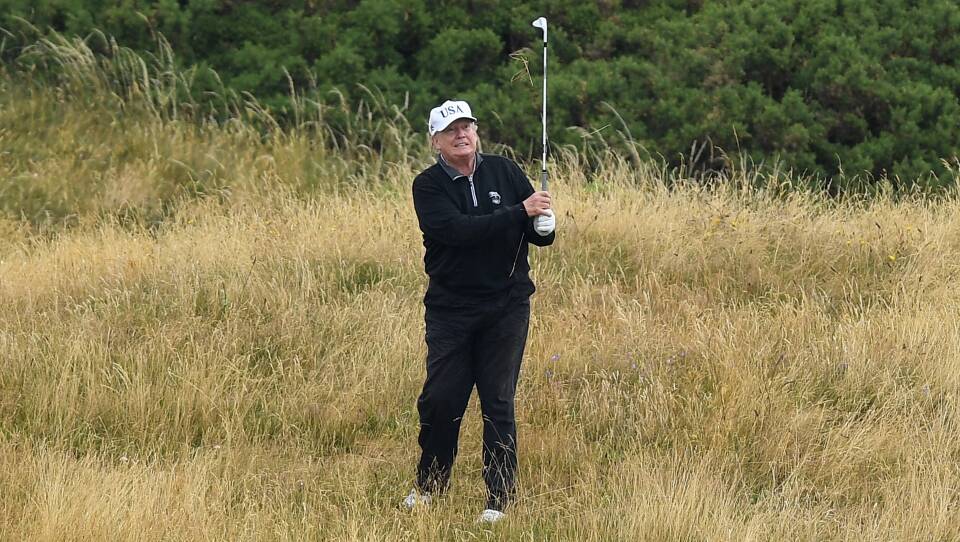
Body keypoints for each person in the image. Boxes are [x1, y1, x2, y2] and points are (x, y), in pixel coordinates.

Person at [403, 99, 556, 523]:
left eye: (467, 126)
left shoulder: (505, 172)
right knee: (442, 399)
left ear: (476, 131)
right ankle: (431, 486)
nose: (461, 134)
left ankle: (499, 500)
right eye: (451, 130)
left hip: (506, 307)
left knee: (498, 401)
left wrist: (544, 227)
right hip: (451, 308)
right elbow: (456, 232)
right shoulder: (428, 186)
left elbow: (534, 228)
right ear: (436, 142)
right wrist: (520, 212)